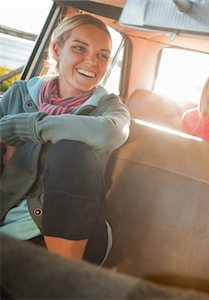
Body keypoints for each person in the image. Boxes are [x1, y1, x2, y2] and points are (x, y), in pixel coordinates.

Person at [0, 14, 130, 263]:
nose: (92, 62)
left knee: (71, 152)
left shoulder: (109, 107)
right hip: (7, 221)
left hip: (67, 236)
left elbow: (110, 132)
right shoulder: (21, 93)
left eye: (103, 55)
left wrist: (23, 127)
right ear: (58, 50)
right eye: (80, 48)